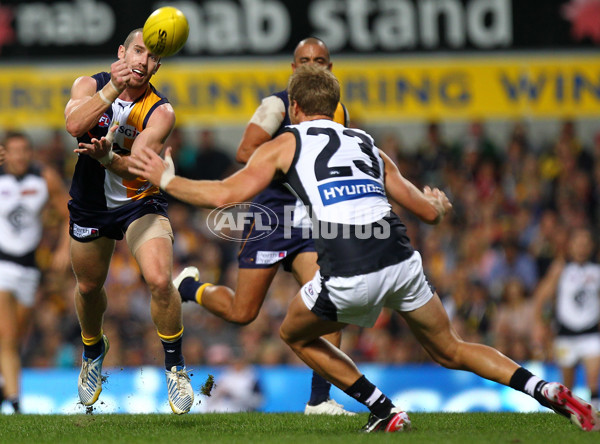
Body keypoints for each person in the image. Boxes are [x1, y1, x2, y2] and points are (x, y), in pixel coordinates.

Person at [130, 65, 599, 432]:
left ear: (294, 108)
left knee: (295, 335)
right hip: (401, 260)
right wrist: (437, 203)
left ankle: (384, 409)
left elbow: (223, 195)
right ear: (336, 107)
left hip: (351, 270)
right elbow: (429, 211)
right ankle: (546, 389)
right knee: (451, 348)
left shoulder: (286, 143)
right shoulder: (368, 143)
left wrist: (167, 179)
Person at [173, 37, 353, 415]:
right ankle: (188, 287)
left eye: (320, 60)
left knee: (331, 302)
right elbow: (243, 152)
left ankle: (319, 400)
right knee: (243, 312)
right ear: (293, 69)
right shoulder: (276, 104)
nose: (312, 66)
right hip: (272, 218)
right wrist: (288, 161)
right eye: (304, 60)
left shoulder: (339, 113)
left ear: (330, 67)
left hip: (310, 222)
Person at [63, 28, 193, 414]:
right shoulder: (89, 84)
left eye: (152, 57)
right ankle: (92, 349)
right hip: (90, 204)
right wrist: (109, 93)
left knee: (158, 279)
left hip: (139, 203)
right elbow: (73, 125)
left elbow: (138, 165)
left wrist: (106, 158)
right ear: (122, 52)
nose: (142, 61)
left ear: (158, 65)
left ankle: (176, 368)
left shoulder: (161, 111)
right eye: (137, 51)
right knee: (88, 287)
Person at [0, 131, 70, 414]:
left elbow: (69, 213)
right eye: (13, 150)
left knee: (17, 339)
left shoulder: (44, 178)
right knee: (7, 335)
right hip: (2, 264)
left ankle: (6, 387)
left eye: (24, 150)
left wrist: (64, 249)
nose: (19, 156)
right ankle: (16, 403)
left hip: (30, 269)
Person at [533, 228, 600, 408]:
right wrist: (540, 323)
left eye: (585, 244)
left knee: (593, 381)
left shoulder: (596, 271)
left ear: (591, 247)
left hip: (591, 332)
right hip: (565, 334)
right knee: (567, 384)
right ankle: (571, 413)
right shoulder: (561, 269)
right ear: (570, 246)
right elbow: (542, 295)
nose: (581, 248)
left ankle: (594, 415)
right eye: (578, 244)